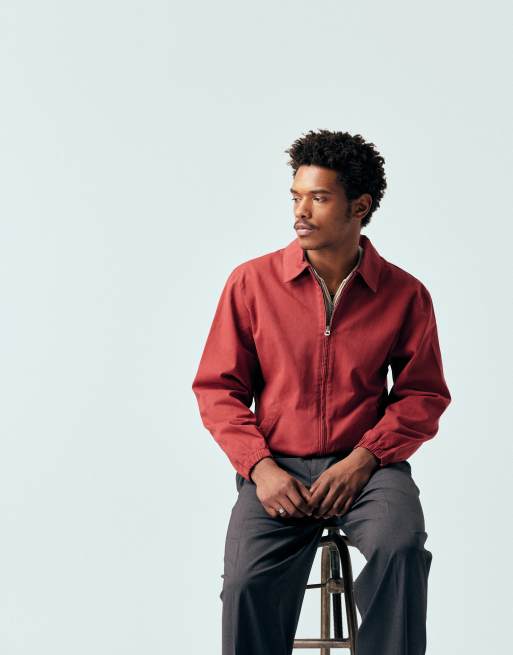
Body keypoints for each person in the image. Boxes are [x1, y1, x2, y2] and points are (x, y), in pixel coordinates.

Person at [191, 129, 452, 655]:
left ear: (360, 206)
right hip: (276, 468)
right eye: (296, 197)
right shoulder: (251, 284)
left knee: (400, 550)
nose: (300, 212)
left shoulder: (405, 295)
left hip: (370, 469)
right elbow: (218, 390)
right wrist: (260, 468)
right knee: (244, 585)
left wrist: (364, 459)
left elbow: (422, 396)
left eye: (319, 198)